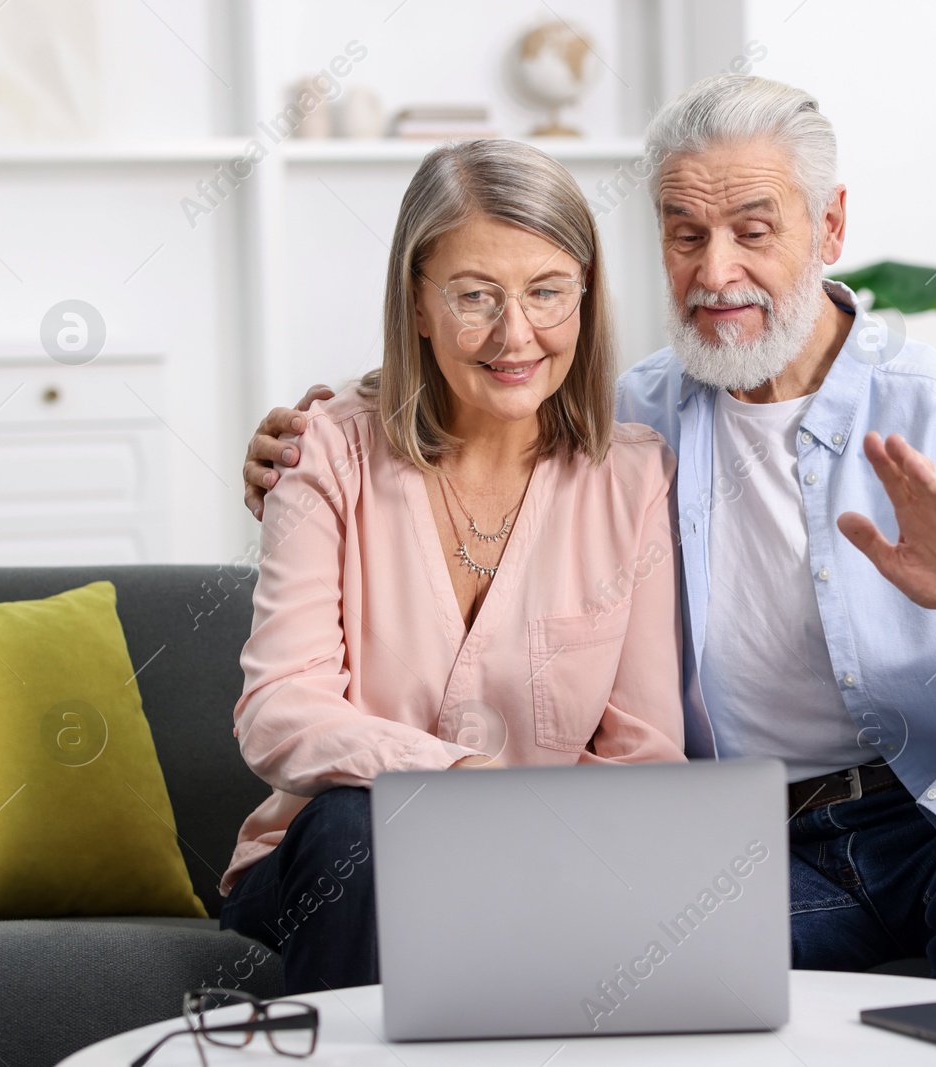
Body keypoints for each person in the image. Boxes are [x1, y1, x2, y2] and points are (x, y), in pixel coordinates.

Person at [242, 75, 936, 1003]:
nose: (717, 270)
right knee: (639, 965)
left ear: (832, 227)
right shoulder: (629, 429)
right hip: (770, 843)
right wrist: (318, 436)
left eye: (755, 231)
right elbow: (492, 371)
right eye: (687, 235)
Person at [219, 139, 685, 995]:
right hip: (333, 878)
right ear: (419, 305)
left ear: (585, 295)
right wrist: (456, 778)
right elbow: (279, 709)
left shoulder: (633, 477)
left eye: (547, 292)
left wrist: (518, 833)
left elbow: (644, 760)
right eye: (476, 296)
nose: (517, 335)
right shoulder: (325, 452)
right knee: (358, 826)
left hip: (539, 871)